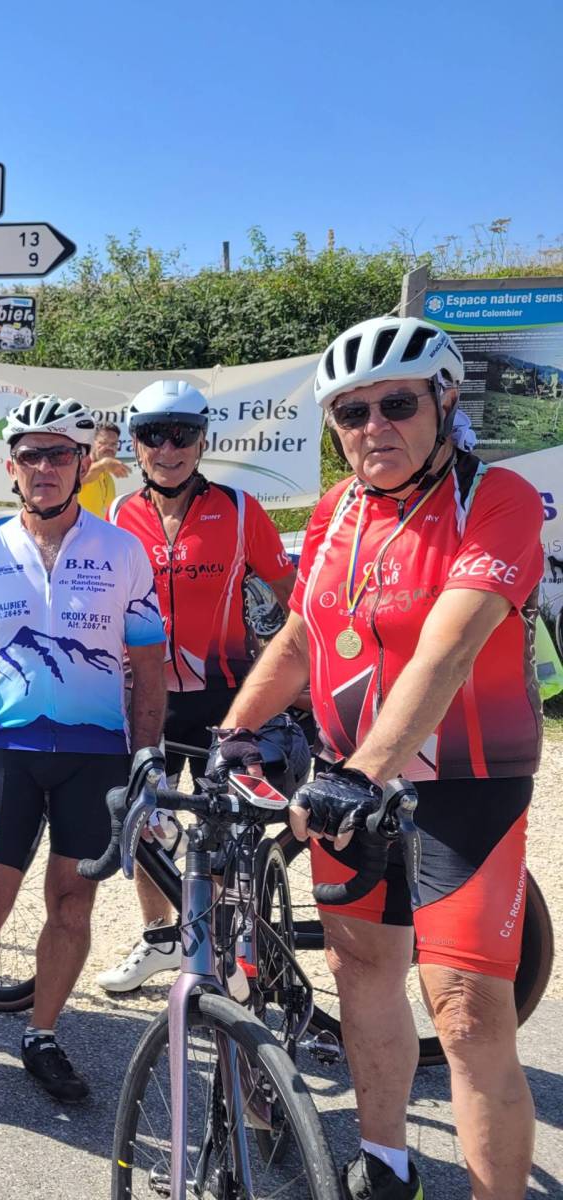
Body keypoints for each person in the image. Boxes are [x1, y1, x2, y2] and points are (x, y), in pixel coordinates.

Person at [213, 315, 543, 1200]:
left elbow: (449, 648)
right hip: (346, 783)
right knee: (361, 973)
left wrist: (365, 771)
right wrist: (234, 732)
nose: (373, 428)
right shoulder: (336, 510)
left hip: (464, 787)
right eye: (351, 413)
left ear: (445, 400)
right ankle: (387, 1164)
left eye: (397, 404)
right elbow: (299, 636)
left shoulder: (497, 500)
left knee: (466, 1014)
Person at [0, 393, 166, 1129]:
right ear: (12, 467)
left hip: (97, 755)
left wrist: (146, 762)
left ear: (83, 464)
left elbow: (149, 669)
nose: (45, 467)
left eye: (60, 454)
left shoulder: (122, 550)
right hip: (13, 753)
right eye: (31, 455)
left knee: (71, 904)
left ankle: (42, 1034)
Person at [95, 380, 296, 993]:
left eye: (182, 435)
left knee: (226, 826)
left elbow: (294, 600)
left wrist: (297, 675)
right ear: (136, 444)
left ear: (202, 441)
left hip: (223, 693)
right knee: (143, 816)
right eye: (154, 435)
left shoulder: (240, 510)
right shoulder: (117, 515)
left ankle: (227, 950)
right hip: (146, 696)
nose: (169, 448)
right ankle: (160, 937)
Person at [76, 420, 130, 517]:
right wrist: (103, 464)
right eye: (104, 443)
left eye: (114, 444)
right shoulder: (79, 466)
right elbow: (81, 479)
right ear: (91, 443)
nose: (109, 448)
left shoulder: (108, 478)